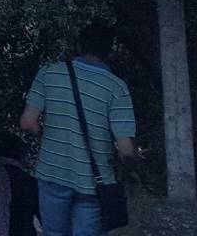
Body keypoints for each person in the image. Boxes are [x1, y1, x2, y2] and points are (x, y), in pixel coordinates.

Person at [19, 23, 137, 236]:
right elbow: (126, 149)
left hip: (52, 171)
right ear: (110, 50)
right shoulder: (117, 88)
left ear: (79, 45)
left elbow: (27, 123)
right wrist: (128, 167)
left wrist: (48, 135)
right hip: (95, 181)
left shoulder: (49, 72)